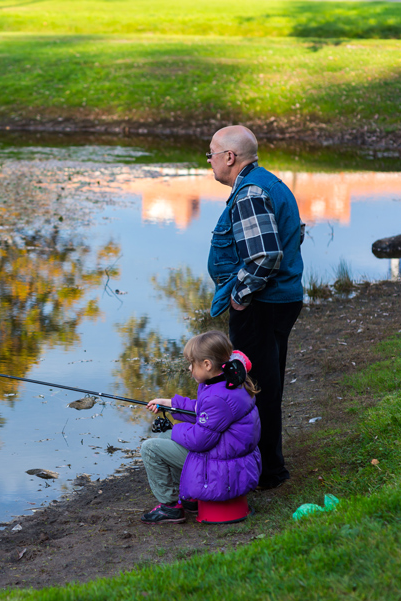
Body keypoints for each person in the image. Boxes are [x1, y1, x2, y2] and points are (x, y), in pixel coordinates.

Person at [206, 125, 304, 490]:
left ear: (229, 157)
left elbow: (265, 255)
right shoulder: (269, 183)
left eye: (212, 154)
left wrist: (239, 296)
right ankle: (269, 466)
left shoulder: (249, 193)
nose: (210, 161)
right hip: (281, 300)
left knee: (255, 388)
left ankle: (267, 472)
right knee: (267, 383)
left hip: (262, 304)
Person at [139, 331, 260, 524]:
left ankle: (170, 506)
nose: (189, 368)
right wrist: (169, 404)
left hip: (221, 471)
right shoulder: (228, 381)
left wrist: (174, 429)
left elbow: (199, 439)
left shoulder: (217, 397)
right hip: (228, 460)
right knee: (165, 438)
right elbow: (202, 410)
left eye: (191, 363)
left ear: (206, 364)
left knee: (150, 448)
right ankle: (191, 499)